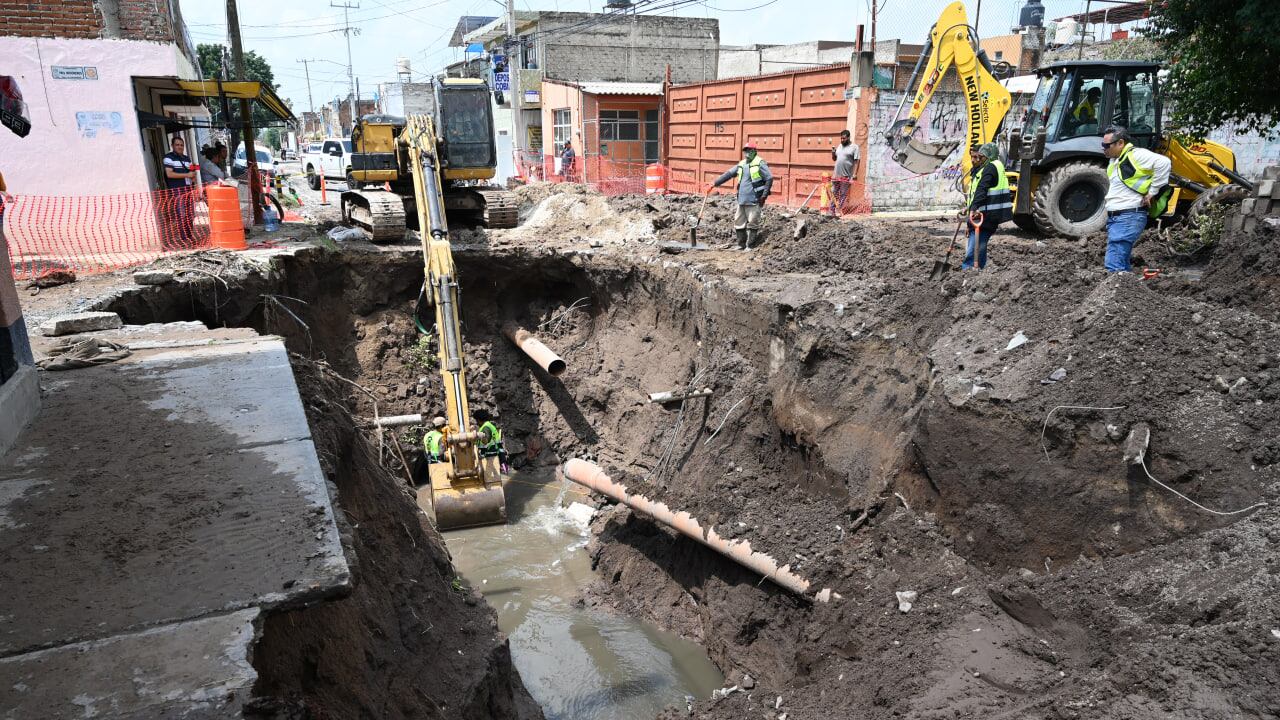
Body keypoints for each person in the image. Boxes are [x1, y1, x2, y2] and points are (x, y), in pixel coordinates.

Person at [1102, 126, 1171, 273]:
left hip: (1128, 215)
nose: (1103, 148)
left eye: (1106, 145)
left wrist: (1152, 192)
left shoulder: (1136, 155)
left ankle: (1116, 293)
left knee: (1114, 263)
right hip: (1118, 217)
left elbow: (1164, 163)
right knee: (1121, 262)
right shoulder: (1115, 161)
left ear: (1120, 143)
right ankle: (1125, 291)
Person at [711, 142, 773, 250]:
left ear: (754, 151)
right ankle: (741, 244)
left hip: (754, 199)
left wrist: (764, 195)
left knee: (753, 222)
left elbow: (769, 178)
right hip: (742, 199)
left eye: (749, 150)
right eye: (746, 150)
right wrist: (715, 183)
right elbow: (729, 174)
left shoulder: (760, 163)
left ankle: (750, 245)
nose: (747, 153)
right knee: (738, 222)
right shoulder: (742, 164)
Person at [962, 143, 1012, 270]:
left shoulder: (990, 168)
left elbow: (982, 190)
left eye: (981, 157)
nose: (977, 160)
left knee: (973, 252)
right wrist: (969, 213)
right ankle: (980, 273)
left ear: (989, 157)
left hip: (986, 217)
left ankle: (967, 273)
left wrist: (972, 210)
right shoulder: (988, 168)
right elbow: (976, 194)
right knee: (979, 249)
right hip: (983, 216)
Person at [161, 135, 198, 247]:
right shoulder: (168, 158)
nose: (179, 147)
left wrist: (193, 178)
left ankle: (189, 235)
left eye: (181, 145)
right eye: (177, 145)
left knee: (190, 214)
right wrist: (187, 174)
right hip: (177, 190)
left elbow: (193, 172)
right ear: (172, 146)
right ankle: (184, 238)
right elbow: (169, 174)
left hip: (188, 189)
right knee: (181, 214)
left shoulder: (187, 158)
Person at [830, 129, 859, 215]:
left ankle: (838, 210)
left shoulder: (854, 147)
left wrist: (855, 174)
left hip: (846, 176)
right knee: (834, 192)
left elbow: (857, 161)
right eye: (841, 138)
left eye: (844, 138)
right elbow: (834, 159)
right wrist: (833, 153)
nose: (842, 140)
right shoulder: (839, 146)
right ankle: (832, 211)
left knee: (842, 194)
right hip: (836, 175)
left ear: (848, 137)